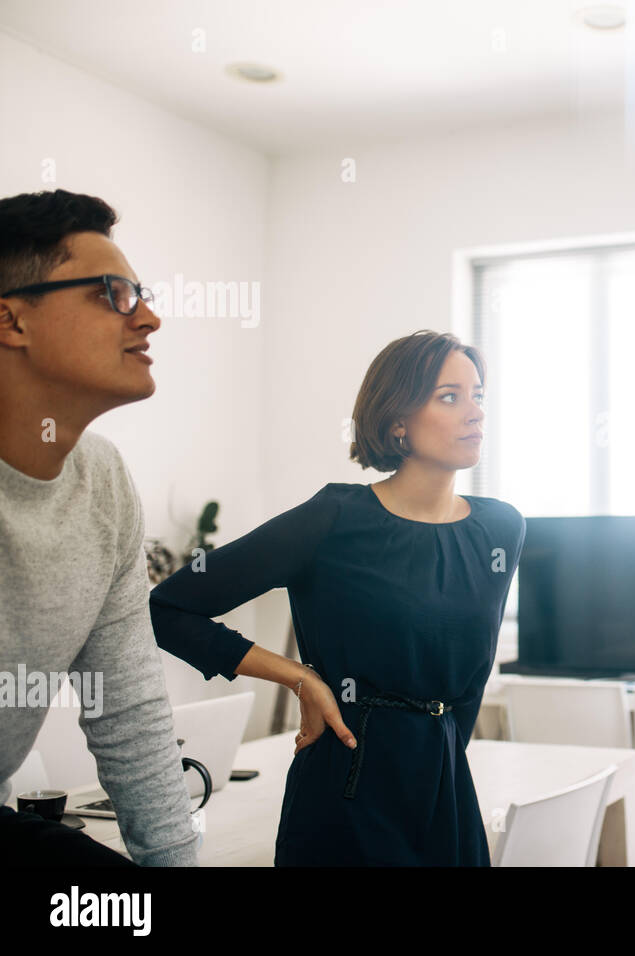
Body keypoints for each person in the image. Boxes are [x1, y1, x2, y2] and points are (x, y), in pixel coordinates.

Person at [149, 330, 525, 865]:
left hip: (447, 788)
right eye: (450, 396)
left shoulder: (501, 527)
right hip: (347, 783)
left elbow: (473, 675)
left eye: (479, 395)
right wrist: (300, 677)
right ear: (398, 420)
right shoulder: (333, 519)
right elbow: (167, 608)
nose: (475, 413)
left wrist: (436, 762)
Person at [0, 189, 198, 866]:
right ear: (12, 320)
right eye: (114, 293)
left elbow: (128, 709)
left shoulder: (102, 481)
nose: (149, 318)